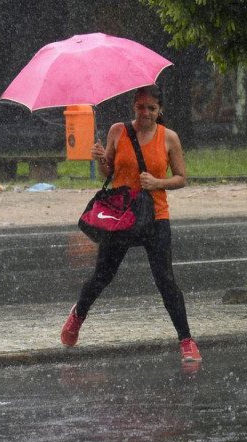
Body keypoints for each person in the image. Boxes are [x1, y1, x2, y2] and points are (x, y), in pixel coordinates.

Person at [61, 85, 201, 364]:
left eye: (151, 108)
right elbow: (108, 172)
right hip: (121, 216)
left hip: (155, 216)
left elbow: (182, 178)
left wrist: (158, 183)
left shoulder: (169, 138)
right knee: (103, 275)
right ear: (134, 107)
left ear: (160, 110)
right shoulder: (117, 131)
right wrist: (101, 160)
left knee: (165, 280)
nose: (146, 113)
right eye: (141, 107)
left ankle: (186, 340)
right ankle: (78, 315)